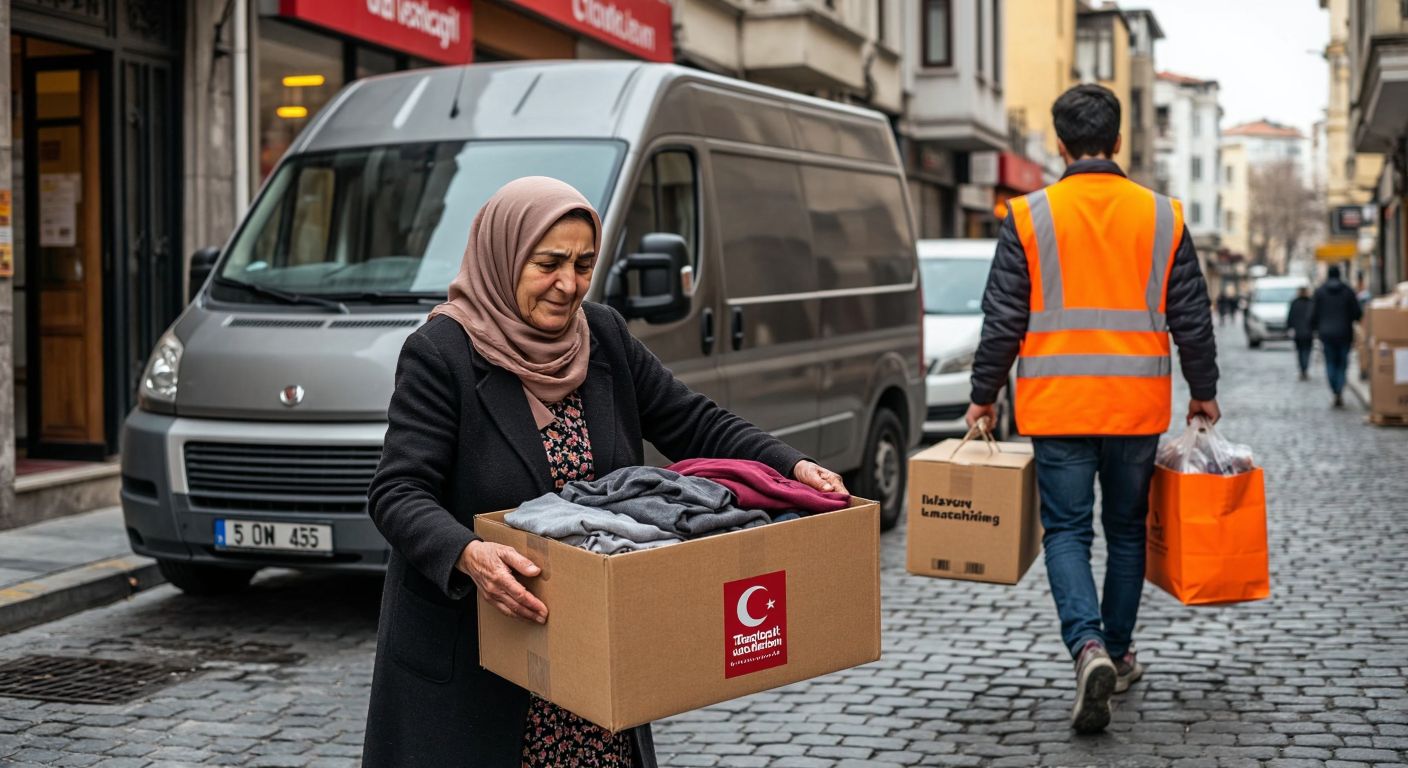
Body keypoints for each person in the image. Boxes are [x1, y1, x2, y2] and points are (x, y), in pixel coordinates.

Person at [361, 177, 848, 767]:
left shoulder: (604, 337)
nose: (568, 284)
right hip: (481, 658)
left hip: (591, 658)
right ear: (503, 255)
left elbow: (695, 422)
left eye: (583, 264)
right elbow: (398, 490)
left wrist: (791, 466)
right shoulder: (442, 354)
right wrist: (468, 553)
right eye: (548, 264)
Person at [964, 84, 1219, 734]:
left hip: (1057, 406)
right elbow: (1192, 314)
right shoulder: (1162, 215)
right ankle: (1122, 649)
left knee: (1069, 533)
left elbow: (1002, 320)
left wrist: (983, 396)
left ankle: (1088, 647)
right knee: (1127, 532)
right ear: (1119, 138)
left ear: (1059, 143)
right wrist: (1205, 389)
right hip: (1135, 407)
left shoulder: (1028, 216)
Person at [1310, 264, 1363, 408]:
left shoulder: (1320, 292)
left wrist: (1315, 327)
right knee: (1342, 363)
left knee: (1330, 362)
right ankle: (1339, 389)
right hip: (1344, 333)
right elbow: (1357, 313)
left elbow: (1313, 314)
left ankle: (1335, 389)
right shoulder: (1347, 291)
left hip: (1326, 334)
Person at [1288, 286, 1314, 381]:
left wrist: (1290, 327)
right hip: (1308, 332)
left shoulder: (1295, 302)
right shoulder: (1311, 302)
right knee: (1306, 351)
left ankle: (1303, 370)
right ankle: (1304, 369)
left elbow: (1290, 317)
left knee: (1300, 352)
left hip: (1298, 332)